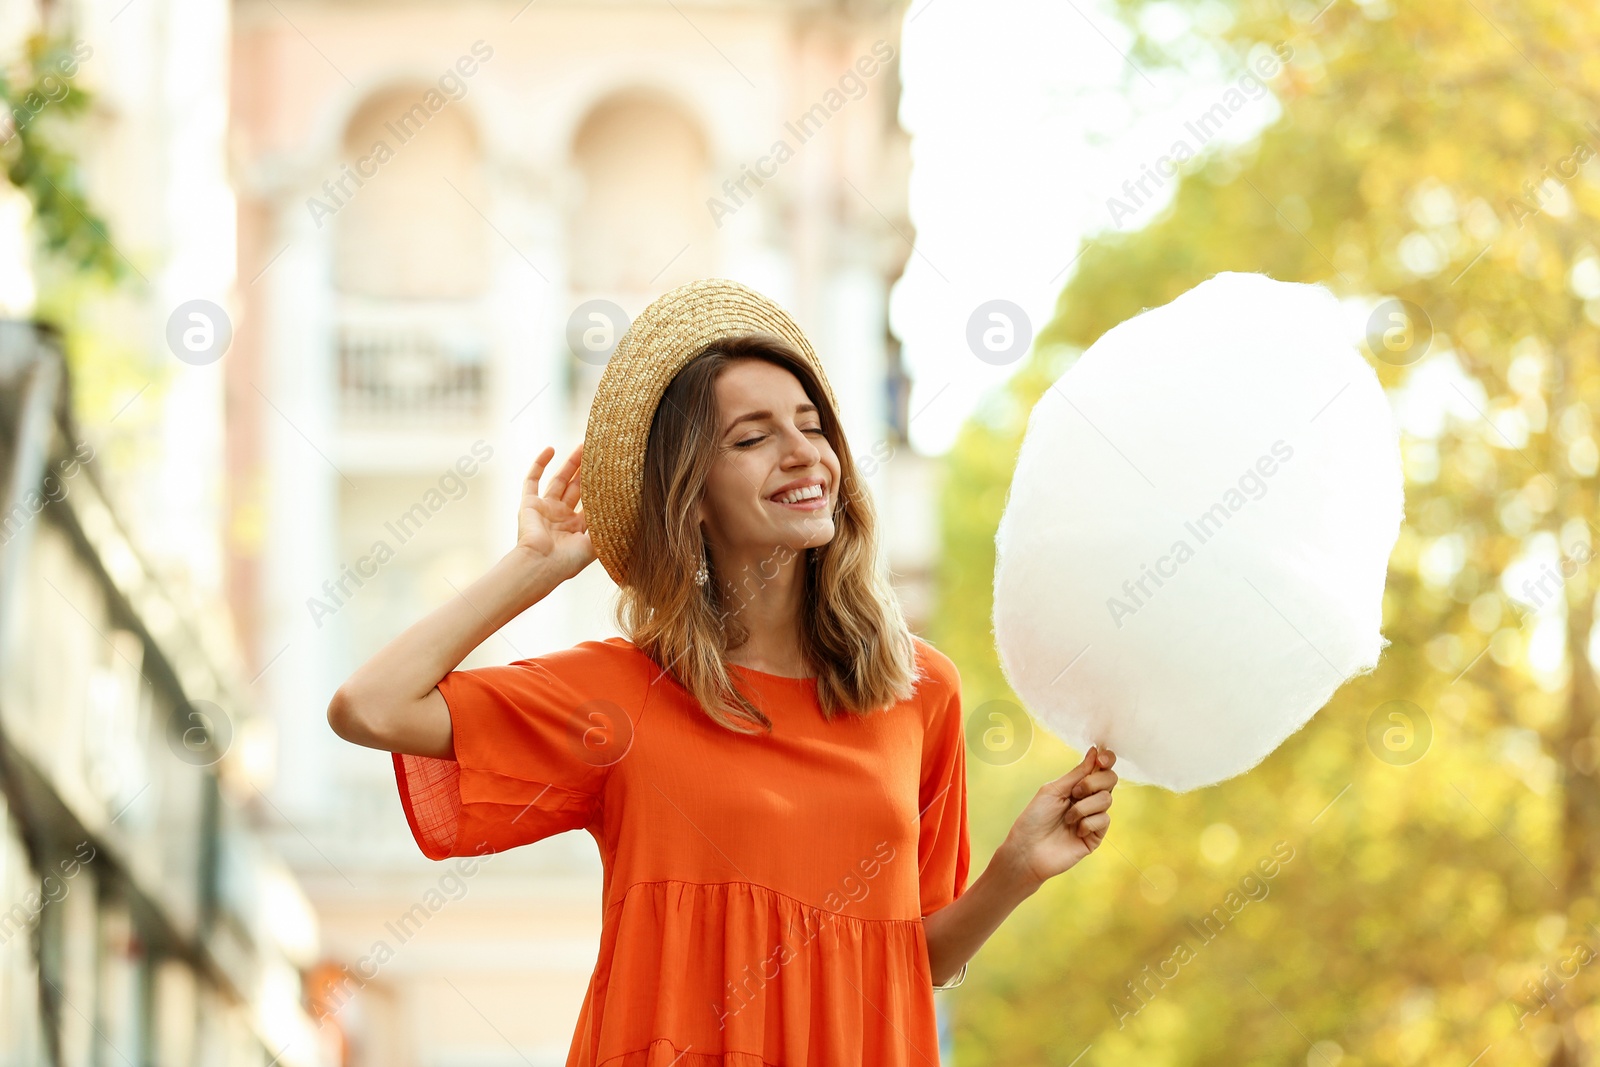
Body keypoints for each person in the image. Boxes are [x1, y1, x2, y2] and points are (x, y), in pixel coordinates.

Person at [326, 278, 1119, 1066]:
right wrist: (534, 566)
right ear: (691, 494)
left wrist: (1015, 870)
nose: (803, 451)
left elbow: (914, 960)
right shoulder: (622, 693)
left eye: (813, 427)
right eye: (752, 437)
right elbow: (371, 705)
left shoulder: (919, 690)